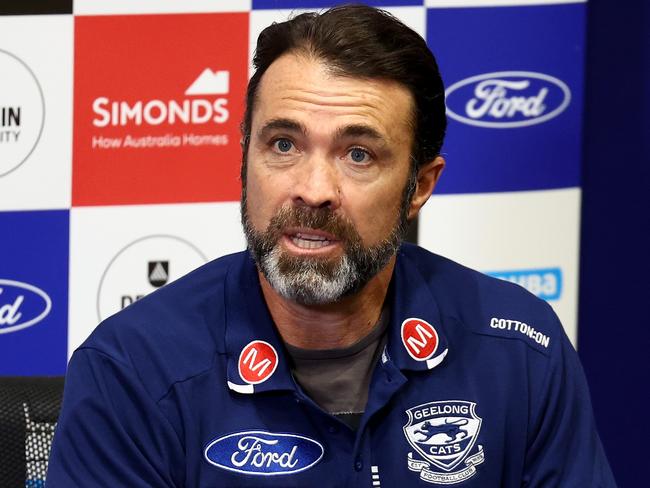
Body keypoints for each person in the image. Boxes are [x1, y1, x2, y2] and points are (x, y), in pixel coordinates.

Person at [47, 5, 616, 487]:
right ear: (246, 158)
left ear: (418, 186)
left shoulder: (519, 352)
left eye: (358, 155)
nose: (313, 191)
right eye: (284, 144)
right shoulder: (131, 371)